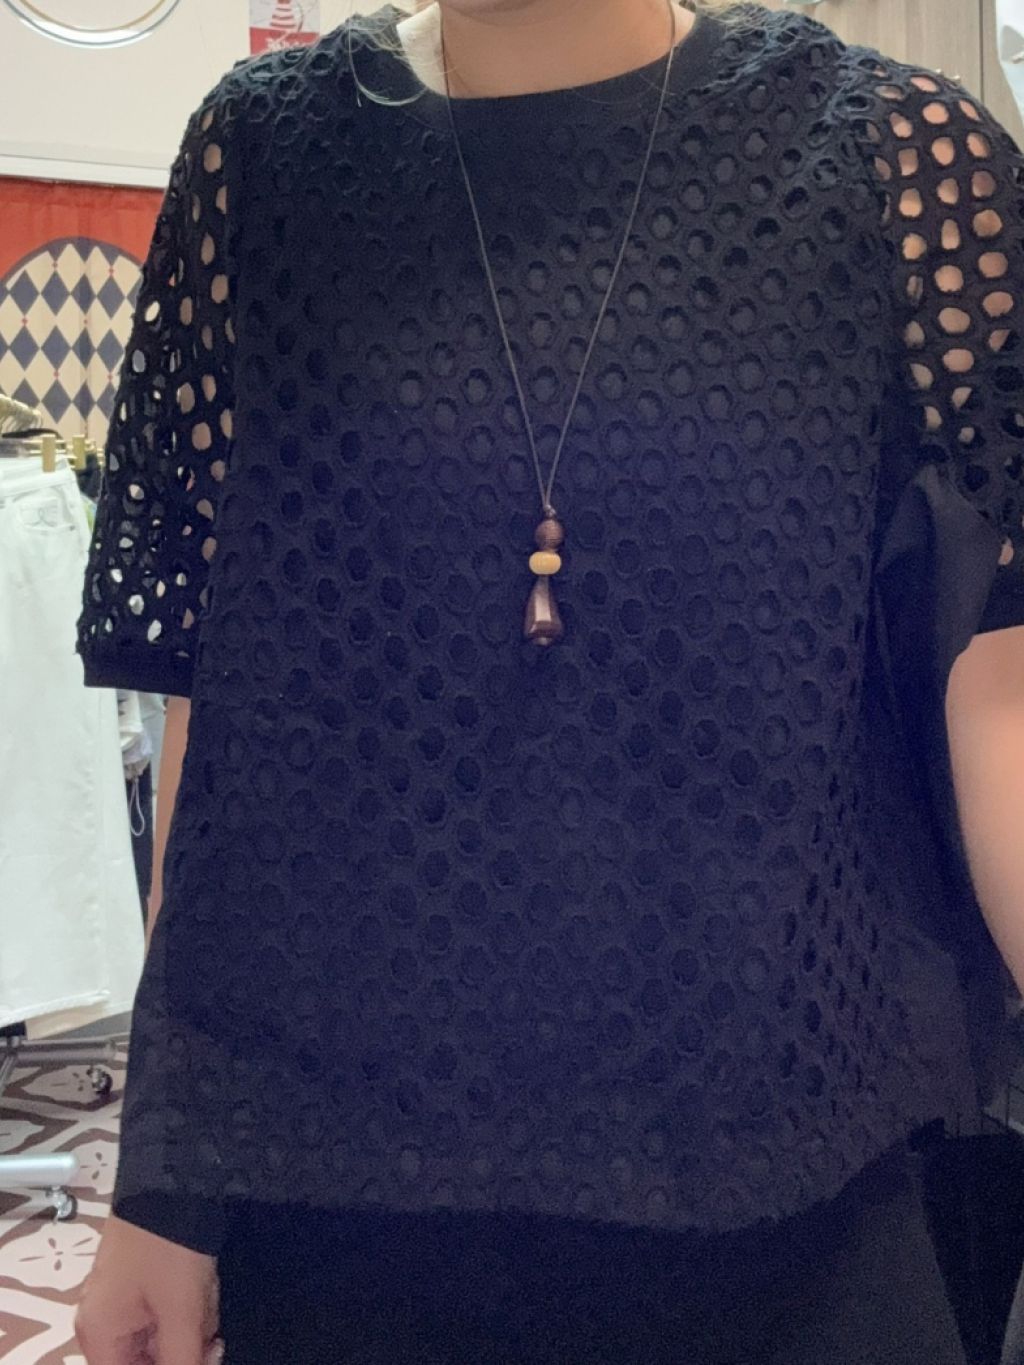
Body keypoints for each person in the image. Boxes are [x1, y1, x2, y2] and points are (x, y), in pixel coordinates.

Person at [72, 0, 1024, 1360]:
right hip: (344, 1199)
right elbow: (224, 729)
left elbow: (999, 699)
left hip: (796, 1178)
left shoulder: (894, 164)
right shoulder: (263, 160)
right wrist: (163, 1185)